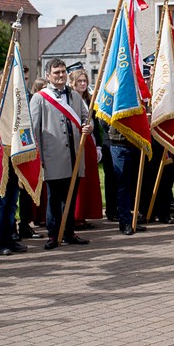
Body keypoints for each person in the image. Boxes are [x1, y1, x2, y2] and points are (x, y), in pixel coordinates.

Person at [29, 58, 92, 249]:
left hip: (74, 154)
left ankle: (69, 232)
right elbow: (34, 129)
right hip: (52, 155)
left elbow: (85, 118)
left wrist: (88, 127)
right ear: (48, 75)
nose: (61, 75)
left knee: (71, 196)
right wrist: (38, 157)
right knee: (54, 199)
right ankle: (53, 234)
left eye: (63, 71)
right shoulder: (40, 98)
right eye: (56, 72)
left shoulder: (74, 96)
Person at [69, 70, 102, 230]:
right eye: (80, 81)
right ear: (73, 82)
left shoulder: (89, 99)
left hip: (90, 141)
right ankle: (76, 215)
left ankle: (85, 214)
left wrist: (98, 145)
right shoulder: (69, 99)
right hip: (77, 141)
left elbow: (96, 125)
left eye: (85, 81)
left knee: (89, 179)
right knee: (79, 179)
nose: (83, 83)